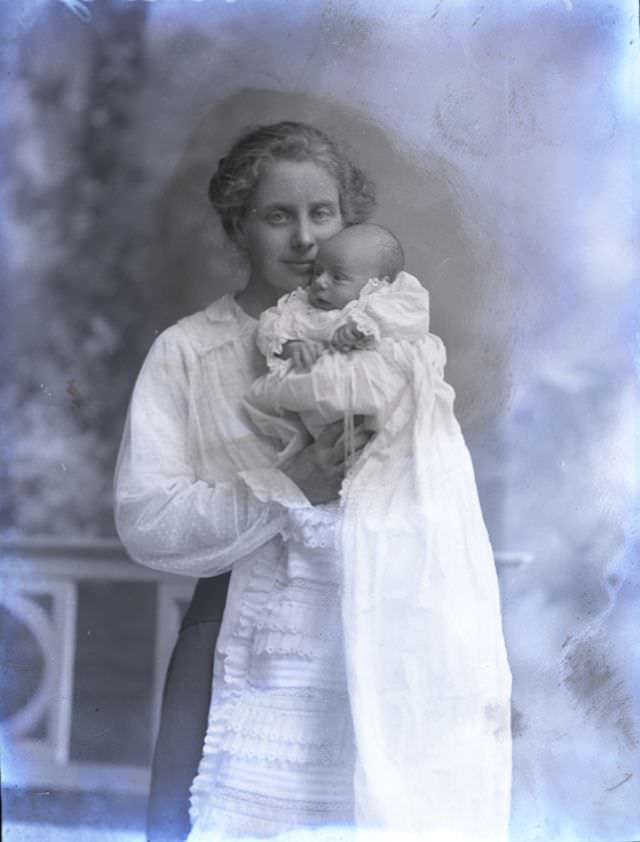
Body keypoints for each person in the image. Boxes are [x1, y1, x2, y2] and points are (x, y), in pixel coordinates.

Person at [114, 121, 375, 841]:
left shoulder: (384, 348)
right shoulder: (189, 352)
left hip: (363, 633)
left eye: (321, 214)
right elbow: (148, 519)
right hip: (231, 634)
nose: (305, 240)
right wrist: (287, 483)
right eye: (276, 216)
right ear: (238, 225)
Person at [244, 223, 432, 463]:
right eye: (317, 271)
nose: (320, 282)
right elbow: (270, 326)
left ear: (377, 284)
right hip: (316, 400)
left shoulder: (379, 303)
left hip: (373, 398)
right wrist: (292, 345)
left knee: (386, 447)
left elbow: (410, 318)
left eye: (338, 276)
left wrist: (363, 329)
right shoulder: (300, 308)